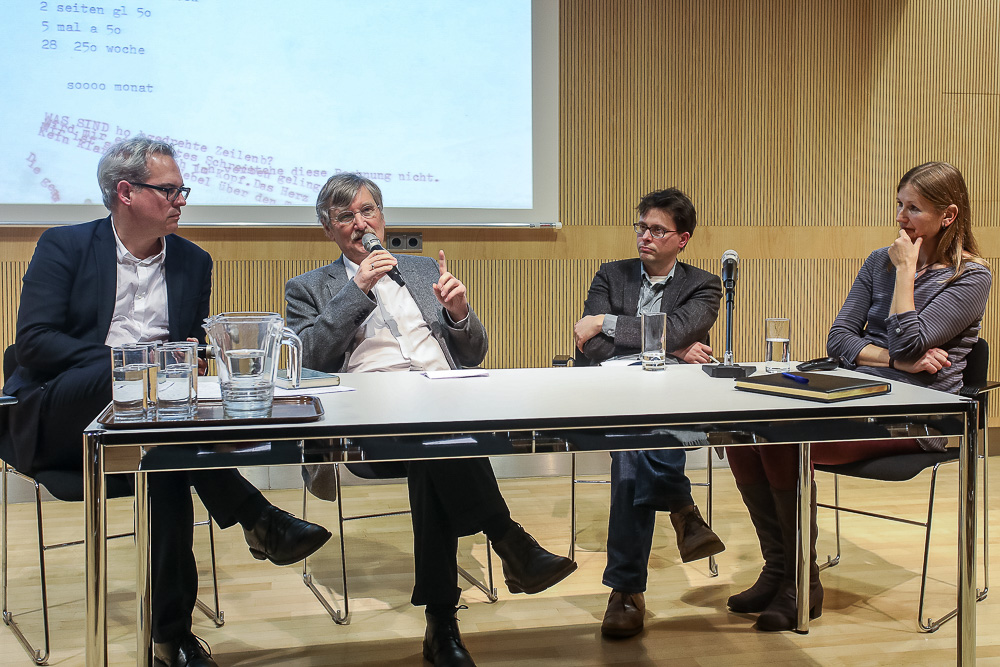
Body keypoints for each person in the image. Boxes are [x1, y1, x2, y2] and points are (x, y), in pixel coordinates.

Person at [0, 136, 332, 667]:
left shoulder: (192, 261)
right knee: (141, 386)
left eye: (183, 190)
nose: (182, 200)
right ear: (125, 192)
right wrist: (131, 363)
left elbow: (191, 349)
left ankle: (170, 638)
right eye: (169, 190)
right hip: (56, 411)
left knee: (167, 461)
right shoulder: (63, 246)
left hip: (152, 419)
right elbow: (35, 343)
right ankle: (256, 517)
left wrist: (164, 370)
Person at [285, 172, 577, 667]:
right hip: (367, 425)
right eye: (345, 216)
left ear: (383, 216)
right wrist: (357, 289)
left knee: (432, 451)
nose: (361, 224)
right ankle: (508, 544)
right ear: (328, 229)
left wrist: (461, 315)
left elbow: (475, 351)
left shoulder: (419, 270)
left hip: (443, 403)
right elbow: (306, 359)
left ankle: (443, 624)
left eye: (368, 211)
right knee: (437, 446)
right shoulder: (311, 287)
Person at [726, 161, 992, 632]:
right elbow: (840, 339)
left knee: (783, 440)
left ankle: (801, 584)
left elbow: (910, 338)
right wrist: (895, 362)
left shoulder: (970, 277)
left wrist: (907, 271)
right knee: (746, 435)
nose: (902, 218)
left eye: (914, 208)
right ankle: (779, 571)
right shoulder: (876, 261)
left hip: (921, 418)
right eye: (900, 205)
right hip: (862, 396)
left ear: (948, 216)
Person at [572, 187, 725, 638]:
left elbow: (612, 330)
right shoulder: (611, 274)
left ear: (683, 239)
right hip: (614, 393)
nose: (645, 236)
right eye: (641, 227)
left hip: (673, 400)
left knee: (631, 457)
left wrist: (609, 323)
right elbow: (589, 345)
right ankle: (682, 508)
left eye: (657, 230)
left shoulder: (704, 284)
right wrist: (671, 348)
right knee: (635, 444)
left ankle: (625, 591)